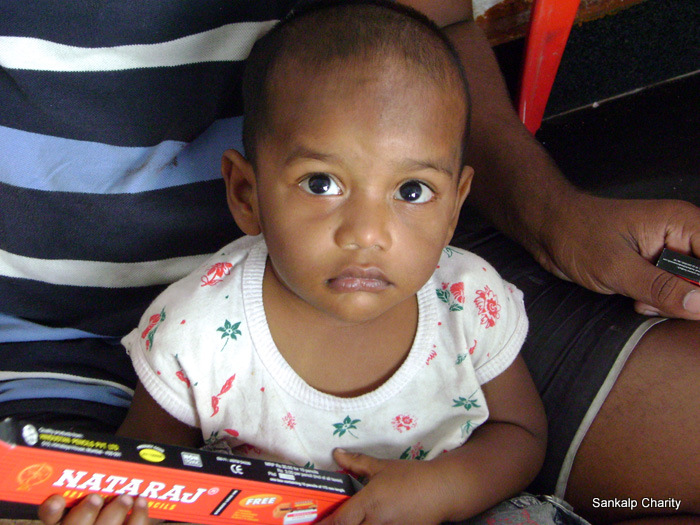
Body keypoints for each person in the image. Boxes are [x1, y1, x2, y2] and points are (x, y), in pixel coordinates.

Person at [1, 0, 697, 523]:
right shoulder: (194, 332)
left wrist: (443, 489)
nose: (367, 233)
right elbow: (149, 479)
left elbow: (519, 435)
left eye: (412, 192)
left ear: (455, 205)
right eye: (322, 183)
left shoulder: (467, 299)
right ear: (245, 194)